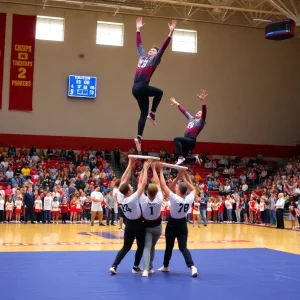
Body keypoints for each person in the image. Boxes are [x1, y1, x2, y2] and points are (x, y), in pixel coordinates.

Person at [133, 17, 177, 152]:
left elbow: (163, 48)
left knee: (142, 113)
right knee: (160, 92)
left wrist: (170, 34)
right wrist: (138, 29)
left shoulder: (154, 60)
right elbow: (139, 45)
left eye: (154, 51)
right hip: (139, 87)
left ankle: (138, 137)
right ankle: (152, 114)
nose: (151, 51)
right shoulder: (142, 57)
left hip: (135, 89)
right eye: (150, 50)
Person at [109, 158, 150, 275]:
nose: (132, 187)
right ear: (128, 192)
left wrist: (130, 164)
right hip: (138, 224)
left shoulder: (121, 196)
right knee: (140, 247)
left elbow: (123, 179)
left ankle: (114, 265)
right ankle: (135, 267)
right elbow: (143, 184)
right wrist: (145, 168)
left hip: (129, 225)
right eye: (131, 188)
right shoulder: (132, 198)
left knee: (126, 247)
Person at [158, 166, 198, 277]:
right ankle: (192, 267)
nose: (175, 189)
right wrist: (183, 177)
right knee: (183, 247)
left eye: (177, 188)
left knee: (169, 247)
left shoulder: (175, 198)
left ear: (179, 191)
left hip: (172, 224)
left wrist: (161, 170)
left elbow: (164, 186)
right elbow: (194, 189)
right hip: (182, 224)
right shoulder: (189, 198)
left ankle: (166, 266)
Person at [169, 89, 208, 165]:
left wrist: (203, 101)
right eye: (198, 112)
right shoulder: (191, 119)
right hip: (186, 141)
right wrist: (176, 103)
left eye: (200, 113)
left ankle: (181, 157)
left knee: (176, 139)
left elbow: (204, 112)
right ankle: (194, 159)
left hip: (191, 141)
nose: (198, 112)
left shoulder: (201, 122)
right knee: (183, 162)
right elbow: (184, 111)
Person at [140, 162, 163, 277]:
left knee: (147, 247)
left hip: (148, 227)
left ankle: (145, 269)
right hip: (158, 227)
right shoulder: (159, 199)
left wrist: (145, 169)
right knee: (152, 246)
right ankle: (149, 267)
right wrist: (154, 169)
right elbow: (158, 184)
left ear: (147, 192)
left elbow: (141, 183)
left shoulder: (143, 199)